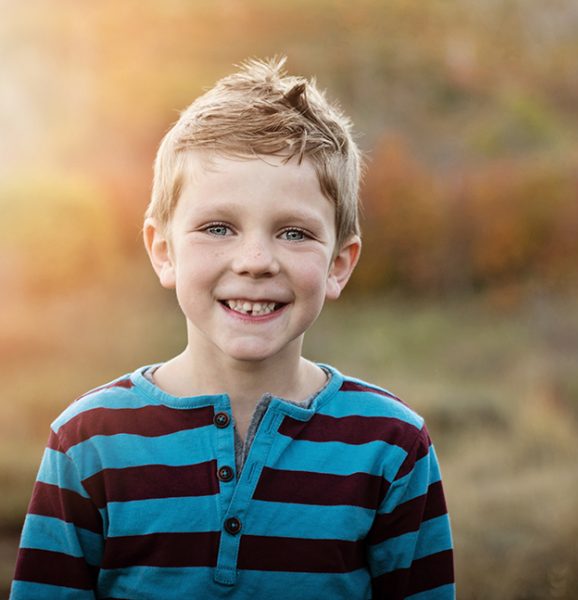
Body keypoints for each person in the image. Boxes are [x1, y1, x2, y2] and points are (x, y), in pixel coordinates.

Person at [11, 58, 455, 599]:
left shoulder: (393, 446)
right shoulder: (87, 441)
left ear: (339, 264)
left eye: (294, 233)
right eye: (218, 227)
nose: (255, 261)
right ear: (163, 250)